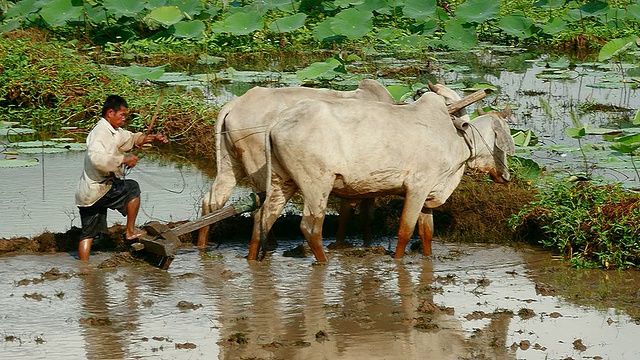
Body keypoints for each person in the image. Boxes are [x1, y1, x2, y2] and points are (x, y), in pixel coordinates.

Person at [75, 95, 169, 260]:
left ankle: (84, 270)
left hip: (87, 194)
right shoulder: (101, 133)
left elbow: (132, 139)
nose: (124, 118)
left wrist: (151, 138)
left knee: (87, 235)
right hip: (99, 188)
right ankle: (130, 231)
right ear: (110, 113)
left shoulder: (113, 132)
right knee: (132, 188)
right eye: (122, 114)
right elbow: (97, 159)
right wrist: (123, 159)